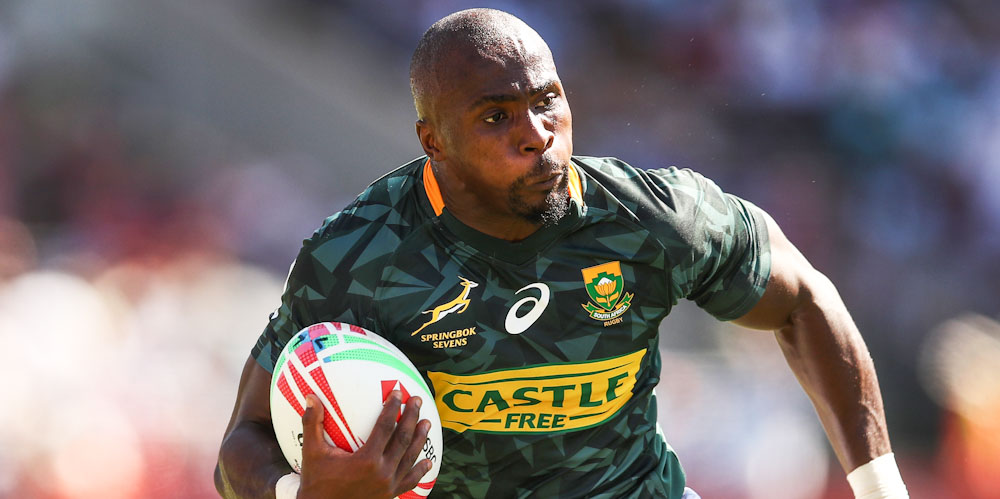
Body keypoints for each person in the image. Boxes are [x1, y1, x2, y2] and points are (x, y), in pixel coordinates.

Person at [215, 8, 908, 499]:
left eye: (548, 101)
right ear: (433, 141)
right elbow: (241, 443)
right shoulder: (356, 255)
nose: (538, 134)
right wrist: (301, 493)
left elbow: (803, 299)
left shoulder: (651, 218)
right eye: (496, 116)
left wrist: (882, 491)